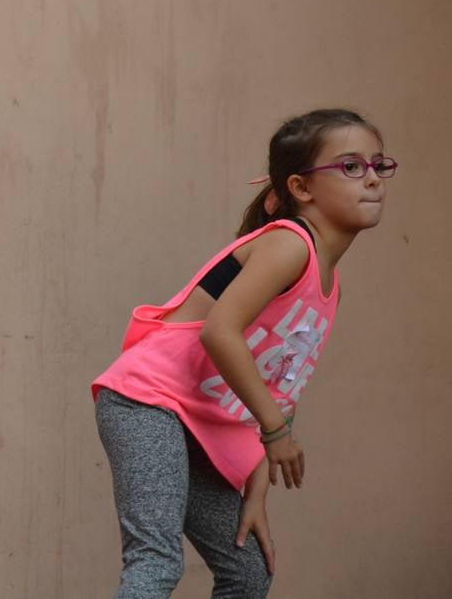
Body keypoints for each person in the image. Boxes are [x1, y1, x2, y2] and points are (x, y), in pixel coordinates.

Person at [92, 109, 394, 597]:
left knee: (249, 570)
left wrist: (257, 489)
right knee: (156, 559)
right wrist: (275, 433)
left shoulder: (327, 285)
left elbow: (277, 387)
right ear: (300, 188)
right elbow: (221, 333)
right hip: (147, 403)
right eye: (351, 167)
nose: (374, 180)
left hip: (197, 423)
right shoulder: (289, 245)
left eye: (379, 165)